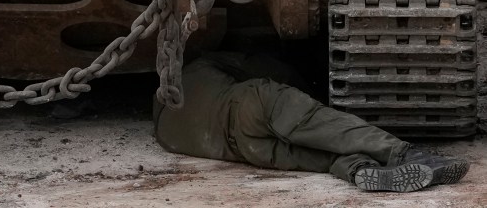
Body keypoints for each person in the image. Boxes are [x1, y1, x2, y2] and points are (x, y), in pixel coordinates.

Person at [153, 52, 470, 192]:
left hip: (242, 149)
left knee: (327, 156)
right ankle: (405, 154)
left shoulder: (165, 130)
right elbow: (265, 69)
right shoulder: (198, 65)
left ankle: (360, 170)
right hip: (250, 106)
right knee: (325, 127)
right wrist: (306, 93)